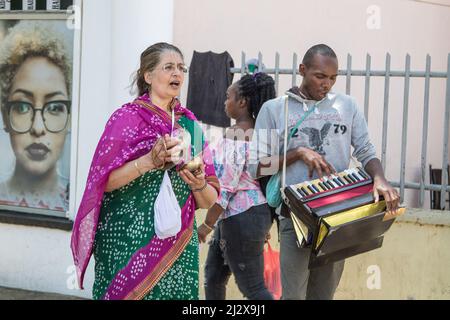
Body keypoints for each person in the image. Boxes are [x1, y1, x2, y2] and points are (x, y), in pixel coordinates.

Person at [249, 44, 401, 300]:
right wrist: (297, 153)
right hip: (295, 218)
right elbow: (256, 167)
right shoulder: (275, 109)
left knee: (323, 295)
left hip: (338, 217)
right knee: (293, 296)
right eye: (320, 76)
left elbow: (365, 149)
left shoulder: (347, 106)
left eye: (332, 78)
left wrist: (380, 178)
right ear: (302, 70)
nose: (326, 84)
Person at [70, 42, 220, 300]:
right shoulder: (125, 119)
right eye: (169, 67)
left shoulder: (190, 126)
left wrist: (197, 184)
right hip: (127, 242)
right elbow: (102, 183)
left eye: (181, 68)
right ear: (148, 76)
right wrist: (148, 162)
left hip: (177, 247)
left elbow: (209, 199)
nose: (177, 74)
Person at [198, 73, 276, 300]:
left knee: (253, 288)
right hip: (240, 217)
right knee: (213, 276)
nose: (224, 102)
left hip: (240, 218)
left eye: (227, 97)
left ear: (242, 102)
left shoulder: (238, 135)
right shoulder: (258, 134)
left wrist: (206, 225)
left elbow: (225, 188)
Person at [0, 21, 72, 212]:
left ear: (70, 117)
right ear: (5, 116)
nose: (38, 128)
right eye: (23, 107)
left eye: (55, 107)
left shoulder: (77, 200)